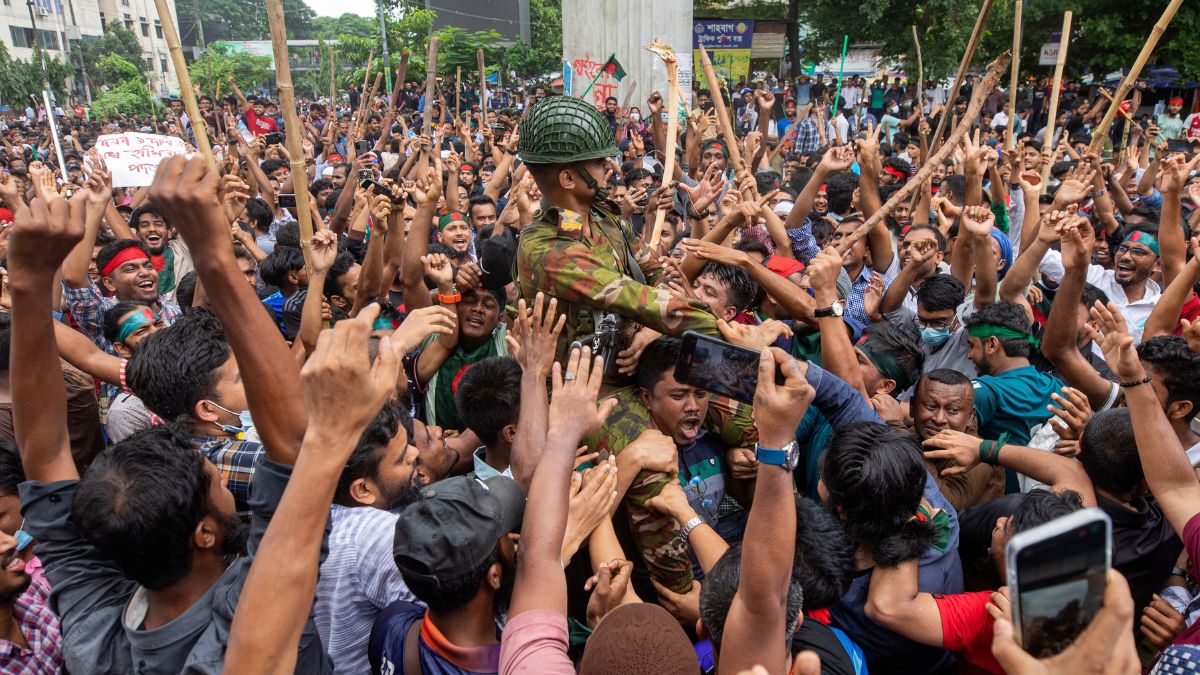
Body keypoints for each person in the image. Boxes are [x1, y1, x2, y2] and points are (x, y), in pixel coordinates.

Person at [514, 95, 721, 363]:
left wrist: (650, 326)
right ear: (567, 178)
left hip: (623, 365)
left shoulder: (604, 218)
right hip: (573, 387)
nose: (610, 167)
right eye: (599, 163)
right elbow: (631, 297)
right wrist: (730, 331)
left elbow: (657, 270)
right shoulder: (547, 247)